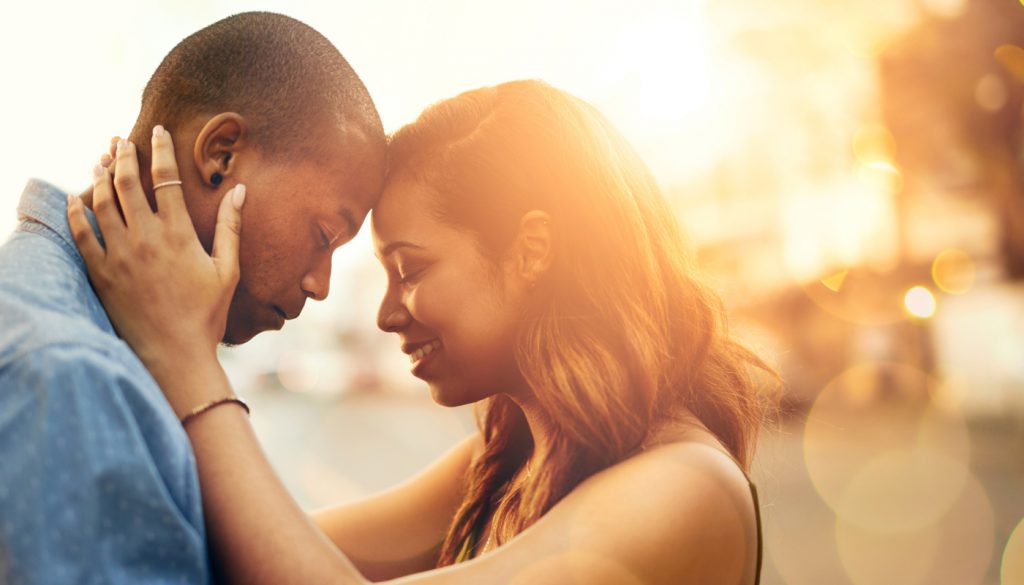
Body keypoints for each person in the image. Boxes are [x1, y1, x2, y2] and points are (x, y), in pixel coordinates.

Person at [69, 80, 775, 584]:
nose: (386, 313)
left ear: (531, 251)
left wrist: (187, 357)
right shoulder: (511, 460)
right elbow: (256, 551)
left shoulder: (683, 489)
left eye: (410, 268)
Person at [0, 12, 385, 584]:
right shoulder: (69, 376)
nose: (319, 285)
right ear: (222, 154)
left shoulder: (82, 336)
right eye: (324, 236)